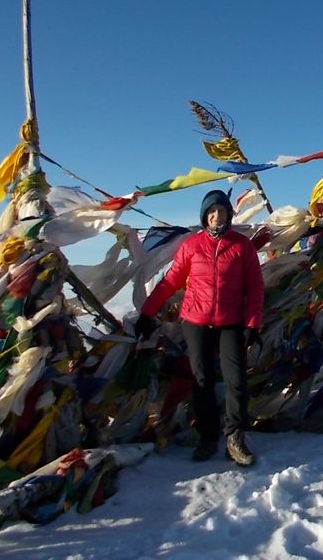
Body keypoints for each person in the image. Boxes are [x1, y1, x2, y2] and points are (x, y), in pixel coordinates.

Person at [135, 189, 264, 465]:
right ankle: (208, 438)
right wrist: (147, 313)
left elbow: (255, 287)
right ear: (205, 216)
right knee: (201, 381)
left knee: (236, 380)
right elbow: (170, 282)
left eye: (222, 212)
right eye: (212, 212)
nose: (217, 217)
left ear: (230, 214)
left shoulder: (242, 246)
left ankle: (235, 438)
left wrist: (253, 323)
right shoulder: (192, 246)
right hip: (195, 321)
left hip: (231, 322)